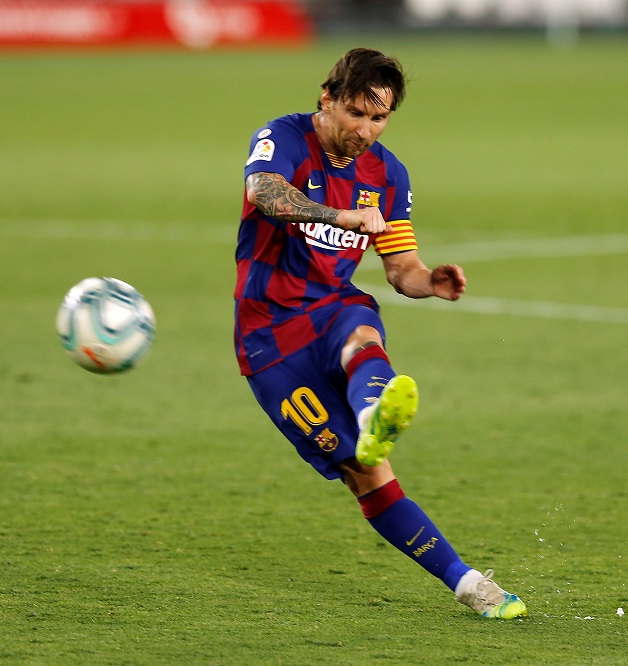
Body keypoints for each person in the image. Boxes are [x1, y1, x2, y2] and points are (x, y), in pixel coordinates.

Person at [234, 47, 527, 619]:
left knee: (362, 337)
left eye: (379, 117)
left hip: (333, 308)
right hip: (268, 336)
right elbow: (263, 194)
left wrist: (430, 281)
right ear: (327, 98)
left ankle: (375, 416)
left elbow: (401, 270)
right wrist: (338, 216)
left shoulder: (387, 175)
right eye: (356, 114)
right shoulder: (285, 138)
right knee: (365, 475)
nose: (366, 130)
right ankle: (463, 582)